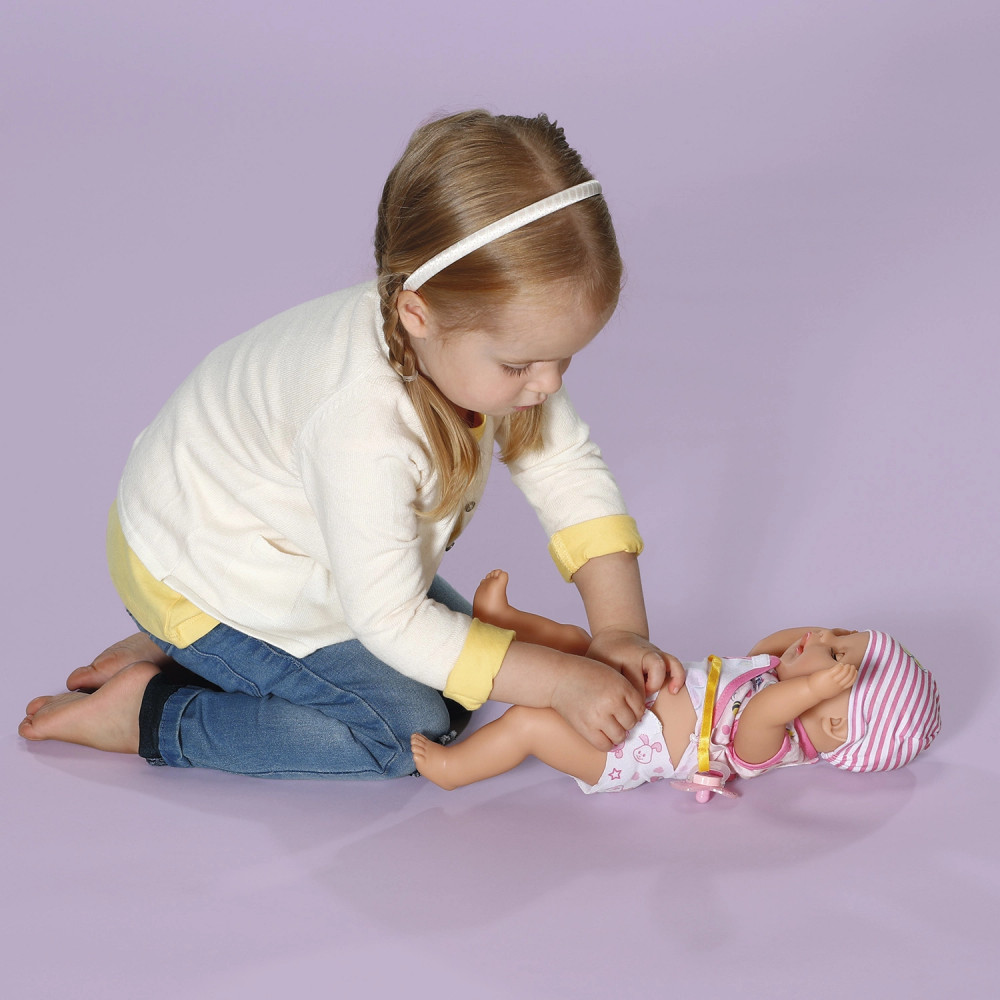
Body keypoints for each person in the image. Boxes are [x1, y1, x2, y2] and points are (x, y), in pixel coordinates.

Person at [18, 111, 685, 779]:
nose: (549, 384)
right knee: (410, 730)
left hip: (285, 545)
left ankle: (206, 652)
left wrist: (619, 631)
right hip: (197, 562)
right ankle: (154, 711)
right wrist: (560, 681)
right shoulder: (363, 425)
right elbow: (393, 620)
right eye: (521, 365)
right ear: (418, 313)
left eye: (564, 359)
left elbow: (566, 468)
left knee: (464, 686)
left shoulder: (474, 344)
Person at [411, 571, 941, 795]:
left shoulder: (776, 745)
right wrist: (816, 646)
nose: (824, 636)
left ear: (834, 722)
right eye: (841, 635)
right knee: (576, 643)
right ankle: (502, 623)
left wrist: (810, 686)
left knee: (529, 722)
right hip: (631, 685)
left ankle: (456, 769)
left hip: (619, 747)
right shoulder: (771, 676)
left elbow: (759, 716)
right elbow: (769, 644)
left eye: (838, 654)